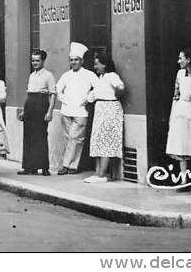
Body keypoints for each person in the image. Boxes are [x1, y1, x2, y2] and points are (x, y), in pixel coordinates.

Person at [55, 42, 99, 175]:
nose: (74, 62)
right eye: (72, 60)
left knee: (76, 138)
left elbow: (99, 87)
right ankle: (67, 165)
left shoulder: (89, 74)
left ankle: (70, 165)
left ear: (82, 61)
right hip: (66, 110)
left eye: (76, 60)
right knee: (67, 137)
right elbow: (57, 90)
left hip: (81, 111)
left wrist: (89, 98)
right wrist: (64, 99)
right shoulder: (66, 75)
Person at [84, 52, 125, 184]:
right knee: (98, 141)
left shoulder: (111, 76)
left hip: (110, 109)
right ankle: (98, 173)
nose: (95, 67)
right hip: (100, 110)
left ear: (104, 64)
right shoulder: (101, 78)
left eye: (97, 64)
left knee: (106, 141)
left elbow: (121, 87)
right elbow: (94, 94)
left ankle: (102, 175)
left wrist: (116, 97)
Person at [17, 50, 56, 175]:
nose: (35, 63)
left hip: (41, 104)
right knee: (29, 136)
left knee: (41, 136)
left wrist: (50, 112)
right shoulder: (31, 75)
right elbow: (29, 94)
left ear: (43, 61)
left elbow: (53, 94)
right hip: (30, 104)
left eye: (37, 60)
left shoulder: (48, 75)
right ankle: (30, 167)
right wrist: (24, 110)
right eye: (33, 60)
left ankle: (44, 167)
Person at [166, 50, 191, 187]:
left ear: (189, 59)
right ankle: (184, 179)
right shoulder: (180, 74)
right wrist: (172, 114)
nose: (178, 61)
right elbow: (176, 94)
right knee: (180, 145)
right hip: (180, 111)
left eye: (181, 58)